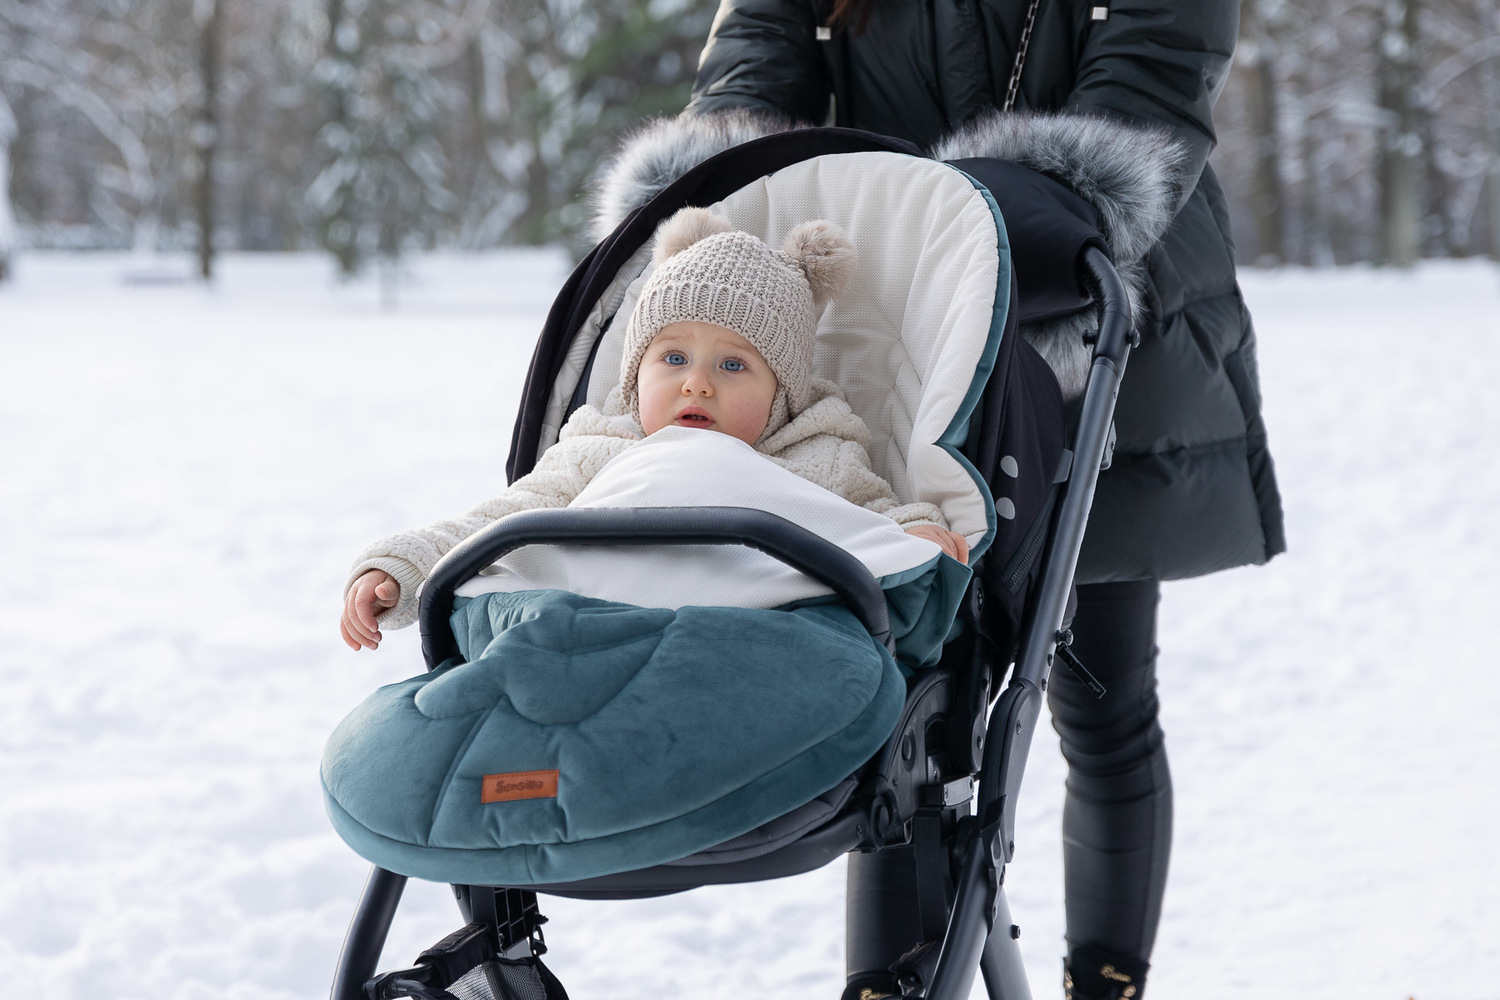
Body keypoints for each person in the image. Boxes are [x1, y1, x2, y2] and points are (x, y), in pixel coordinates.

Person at [673, 3, 1287, 998]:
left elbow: (1145, 94)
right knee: (906, 716)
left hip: (1093, 331)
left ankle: (1106, 981)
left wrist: (971, 228)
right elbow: (752, 66)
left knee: (1101, 692)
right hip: (891, 340)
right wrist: (723, 189)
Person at [340, 207, 970, 650]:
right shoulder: (598, 449)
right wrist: (407, 566)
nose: (698, 383)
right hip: (588, 629)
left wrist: (918, 536)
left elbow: (874, 520)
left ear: (783, 395)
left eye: (733, 365)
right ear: (634, 374)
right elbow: (502, 519)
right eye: (672, 359)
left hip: (745, 640)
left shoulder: (818, 456)